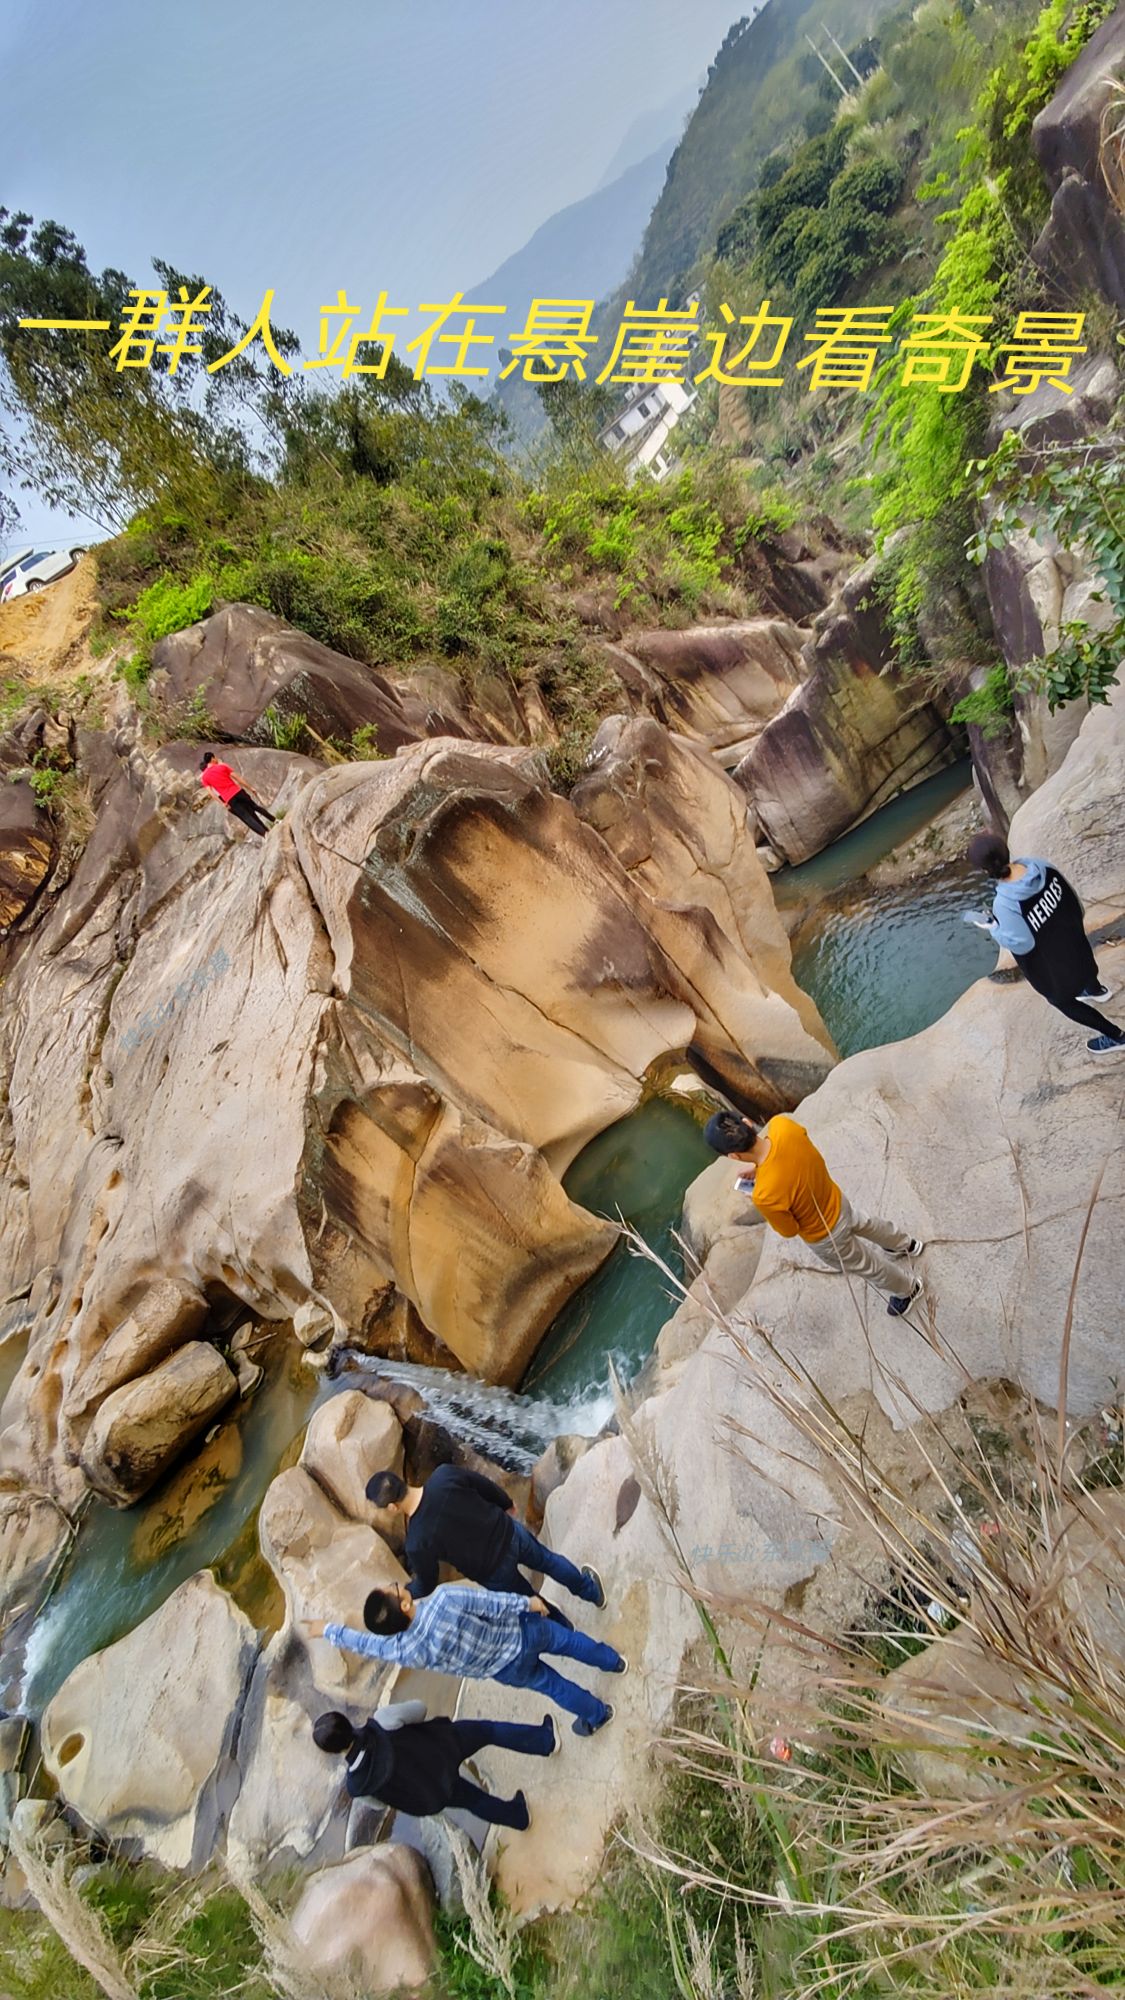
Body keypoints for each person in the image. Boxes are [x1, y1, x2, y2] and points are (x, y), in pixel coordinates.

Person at [303, 1580, 626, 1737]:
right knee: (569, 1642)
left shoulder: (401, 1650)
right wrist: (528, 1602)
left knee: (554, 1687)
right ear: (403, 1604)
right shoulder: (444, 1599)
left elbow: (366, 1645)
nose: (399, 1585)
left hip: (503, 1668)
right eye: (396, 1588)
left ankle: (598, 1714)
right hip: (522, 1632)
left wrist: (327, 1631)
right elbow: (492, 1603)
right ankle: (614, 1662)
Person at [703, 1109, 924, 1318]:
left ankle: (908, 1289)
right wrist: (761, 1168)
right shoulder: (783, 1126)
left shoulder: (764, 1194)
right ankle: (907, 1244)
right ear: (748, 1123)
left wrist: (762, 1185)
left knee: (868, 1265)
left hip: (826, 1235)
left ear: (734, 1156)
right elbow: (790, 1154)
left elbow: (789, 1230)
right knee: (866, 1223)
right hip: (836, 1200)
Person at [365, 1465, 605, 1619]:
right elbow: (482, 1485)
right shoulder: (443, 1475)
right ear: (400, 1480)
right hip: (508, 1532)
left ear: (392, 1507)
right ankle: (591, 1593)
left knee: (529, 1601)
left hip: (491, 1570)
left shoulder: (417, 1542)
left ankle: (565, 1629)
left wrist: (404, 1592)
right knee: (550, 1562)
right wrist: (506, 1503)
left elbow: (427, 1582)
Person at [964, 832, 1123, 1056]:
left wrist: (994, 928)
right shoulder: (1039, 866)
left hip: (1056, 965)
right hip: (1075, 941)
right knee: (1085, 967)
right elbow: (1072, 897)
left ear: (984, 871)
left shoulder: (1005, 904)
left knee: (1062, 1000)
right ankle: (1097, 991)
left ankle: (1117, 1036)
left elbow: (1022, 944)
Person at [312, 1696, 558, 1831]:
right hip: (443, 1745)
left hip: (431, 1789)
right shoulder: (380, 1722)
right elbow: (420, 1708)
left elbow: (379, 1805)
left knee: (475, 1801)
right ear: (346, 1721)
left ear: (332, 1751)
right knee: (489, 1731)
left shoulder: (356, 1786)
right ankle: (545, 1740)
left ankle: (519, 1817)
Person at [198, 752, 276, 837]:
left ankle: (264, 833)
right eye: (215, 757)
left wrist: (222, 803)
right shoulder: (222, 766)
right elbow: (238, 778)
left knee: (246, 817)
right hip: (238, 791)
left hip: (228, 799)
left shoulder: (204, 778)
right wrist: (250, 788)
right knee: (254, 807)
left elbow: (211, 793)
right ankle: (274, 820)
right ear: (212, 758)